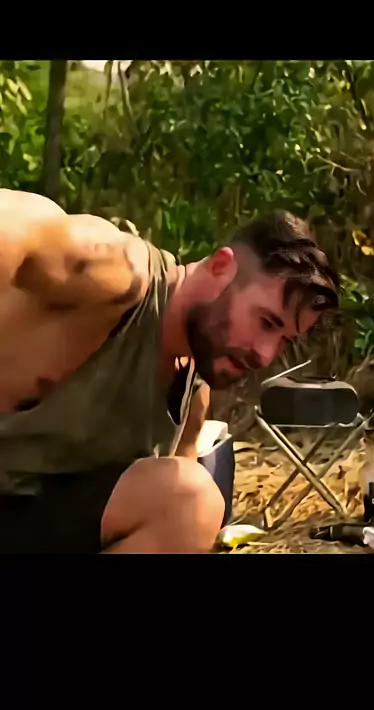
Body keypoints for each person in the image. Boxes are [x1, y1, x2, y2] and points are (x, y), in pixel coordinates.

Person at [0, 189, 339, 553]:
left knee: (189, 503)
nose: (266, 354)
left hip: (25, 522)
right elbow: (15, 223)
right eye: (266, 322)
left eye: (284, 340)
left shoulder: (192, 391)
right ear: (221, 267)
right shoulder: (119, 276)